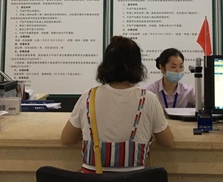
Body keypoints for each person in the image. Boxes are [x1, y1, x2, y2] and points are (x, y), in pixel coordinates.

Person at [61, 36, 173, 173]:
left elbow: (67, 139)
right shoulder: (148, 99)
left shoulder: (89, 96)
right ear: (138, 67)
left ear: (105, 65)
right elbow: (167, 141)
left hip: (92, 180)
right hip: (133, 180)